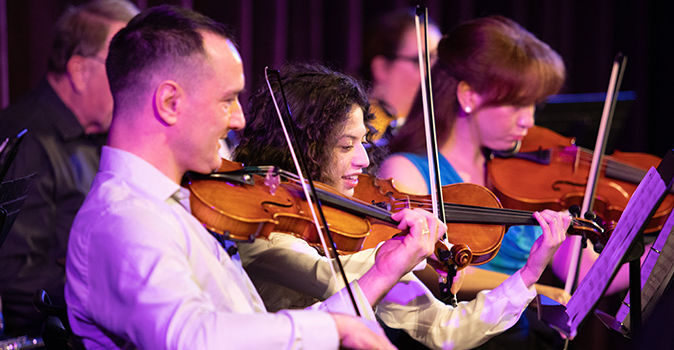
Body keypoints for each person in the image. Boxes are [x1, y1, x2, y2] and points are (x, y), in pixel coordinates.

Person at [64, 5, 449, 349]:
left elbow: (256, 333)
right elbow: (192, 338)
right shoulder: (124, 218)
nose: (239, 119)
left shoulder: (179, 206)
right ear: (170, 102)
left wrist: (384, 270)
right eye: (226, 99)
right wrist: (333, 329)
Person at [234, 62, 571, 349]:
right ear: (303, 147)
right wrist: (404, 256)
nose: (364, 160)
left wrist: (529, 273)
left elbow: (446, 329)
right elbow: (334, 280)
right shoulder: (260, 231)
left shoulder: (348, 231)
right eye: (345, 146)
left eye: (363, 142)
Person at [377, 15, 572, 349]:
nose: (529, 120)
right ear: (468, 95)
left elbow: (579, 267)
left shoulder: (523, 175)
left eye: (533, 104)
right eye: (516, 104)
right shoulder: (406, 172)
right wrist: (531, 286)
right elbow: (418, 268)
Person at [0, 0, 138, 338]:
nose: (134, 82)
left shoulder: (105, 134)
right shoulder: (25, 141)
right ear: (78, 69)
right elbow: (15, 274)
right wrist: (118, 296)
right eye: (123, 66)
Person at [361, 9, 442, 143]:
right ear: (381, 68)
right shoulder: (360, 132)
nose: (435, 69)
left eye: (438, 60)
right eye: (422, 59)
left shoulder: (435, 129)